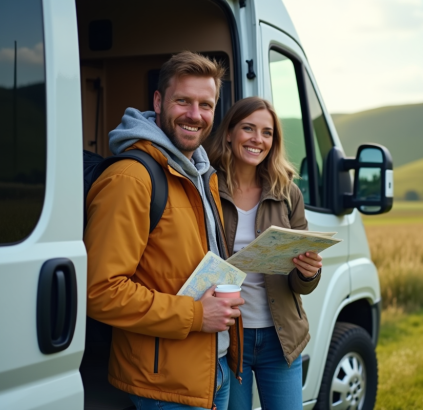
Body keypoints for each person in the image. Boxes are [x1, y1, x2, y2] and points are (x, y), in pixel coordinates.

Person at [84, 51, 244, 410]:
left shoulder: (201, 172)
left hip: (209, 370)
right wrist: (199, 315)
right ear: (158, 101)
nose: (195, 115)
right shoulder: (131, 179)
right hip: (164, 386)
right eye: (183, 101)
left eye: (206, 104)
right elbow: (100, 291)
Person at [204, 97, 323, 410]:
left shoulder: (287, 192)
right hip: (228, 339)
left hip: (280, 339)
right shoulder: (207, 186)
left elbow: (301, 283)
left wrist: (308, 272)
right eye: (248, 128)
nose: (258, 139)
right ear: (229, 133)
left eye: (267, 132)